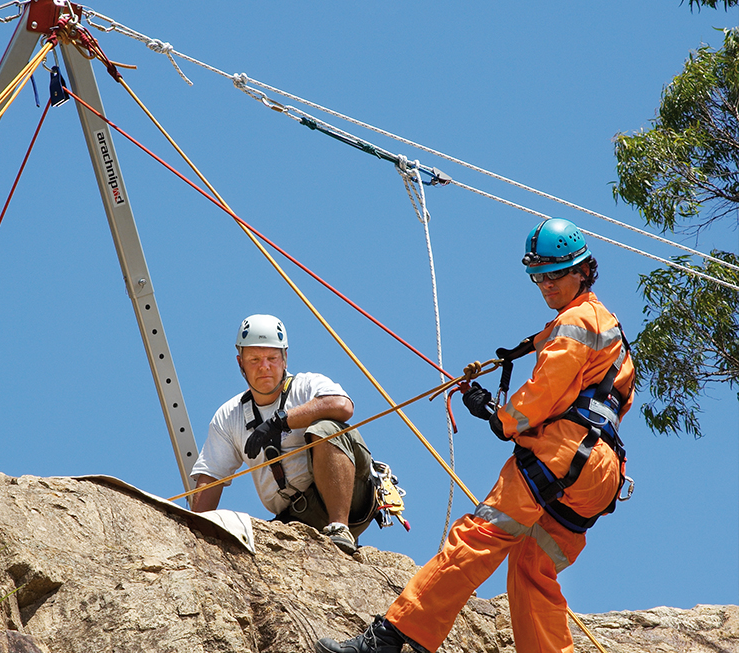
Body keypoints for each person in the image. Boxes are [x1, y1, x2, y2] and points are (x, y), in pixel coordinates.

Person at [315, 218, 635, 653]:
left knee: (477, 536)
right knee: (531, 570)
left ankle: (390, 638)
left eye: (554, 274)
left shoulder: (576, 321)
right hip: (600, 474)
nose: (545, 285)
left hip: (564, 455)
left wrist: (500, 417)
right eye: (538, 276)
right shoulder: (604, 326)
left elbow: (542, 395)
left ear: (582, 270)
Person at [190, 314, 378, 554]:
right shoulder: (230, 417)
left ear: (285, 358)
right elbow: (210, 477)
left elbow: (343, 406)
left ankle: (339, 529)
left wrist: (280, 422)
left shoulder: (307, 386)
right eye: (254, 359)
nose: (264, 366)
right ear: (240, 363)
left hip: (353, 498)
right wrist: (193, 534)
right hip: (296, 517)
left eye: (272, 358)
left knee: (325, 428)